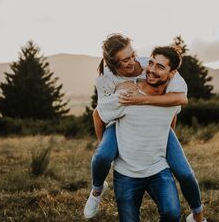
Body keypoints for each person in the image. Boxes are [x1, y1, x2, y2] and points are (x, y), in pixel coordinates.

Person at [84, 34, 205, 222]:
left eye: (133, 55)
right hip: (117, 122)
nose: (134, 61)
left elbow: (180, 100)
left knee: (185, 173)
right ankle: (97, 190)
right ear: (114, 64)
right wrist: (107, 146)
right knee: (102, 156)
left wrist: (143, 101)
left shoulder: (150, 66)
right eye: (126, 60)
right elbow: (100, 114)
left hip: (155, 128)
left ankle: (198, 215)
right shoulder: (106, 80)